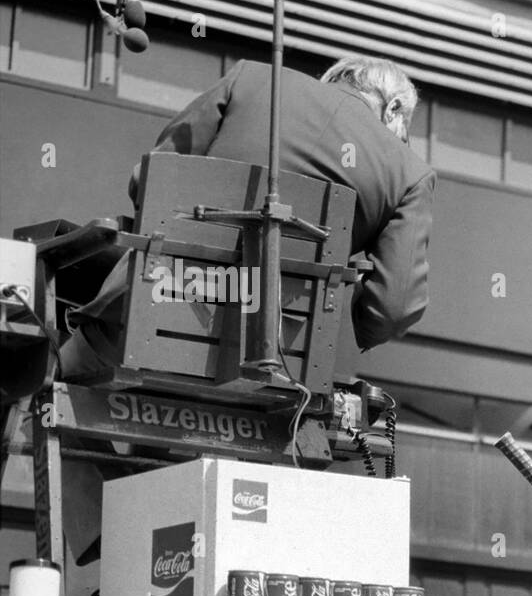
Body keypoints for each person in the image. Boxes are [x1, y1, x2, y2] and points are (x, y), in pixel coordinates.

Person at [62, 54, 435, 374]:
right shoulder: (410, 174)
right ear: (394, 108)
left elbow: (150, 178)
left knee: (48, 390)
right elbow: (393, 309)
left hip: (152, 313)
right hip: (278, 362)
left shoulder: (251, 79)